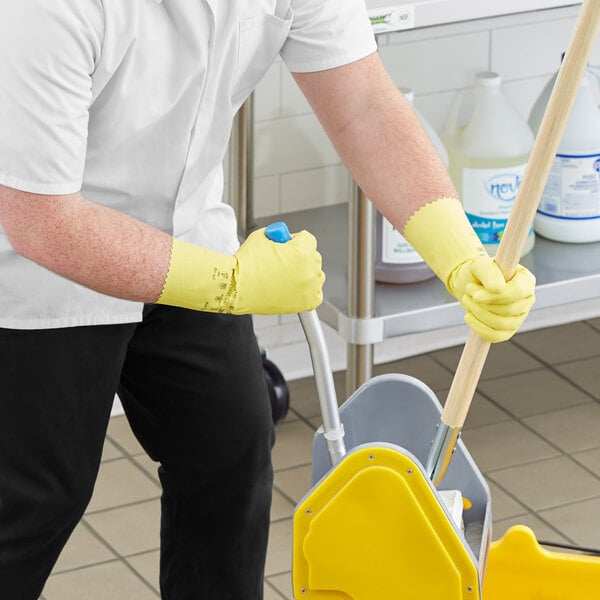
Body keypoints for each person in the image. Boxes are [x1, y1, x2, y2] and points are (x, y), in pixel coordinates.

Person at [0, 0, 535, 598]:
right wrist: (233, 285)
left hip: (187, 234)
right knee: (35, 499)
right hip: (35, 271)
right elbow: (40, 219)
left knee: (227, 453)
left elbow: (363, 105)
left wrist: (460, 256)